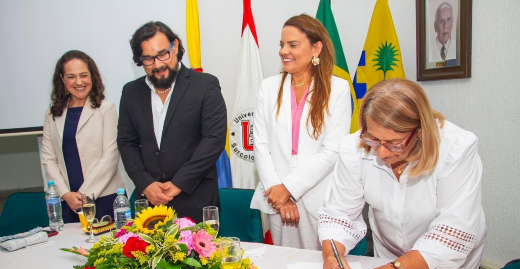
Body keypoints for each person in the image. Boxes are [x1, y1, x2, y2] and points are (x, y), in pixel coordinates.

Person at [319, 78, 486, 269]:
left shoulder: (456, 148)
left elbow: (453, 230)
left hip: (447, 266)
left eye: (394, 143)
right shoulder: (354, 148)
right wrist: (332, 255)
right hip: (387, 259)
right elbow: (339, 213)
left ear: (419, 131)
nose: (382, 153)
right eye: (374, 140)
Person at [251, 14, 351, 250]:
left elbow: (332, 151)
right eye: (281, 44)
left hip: (319, 197)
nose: (283, 51)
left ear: (316, 48)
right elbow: (261, 145)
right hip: (276, 197)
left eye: (293, 45)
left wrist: (289, 189)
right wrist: (280, 194)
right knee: (283, 267)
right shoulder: (268, 87)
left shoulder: (338, 89)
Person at [117, 21, 226, 223]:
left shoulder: (205, 85)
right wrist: (145, 184)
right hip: (150, 203)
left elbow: (214, 139)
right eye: (148, 59)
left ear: (175, 46)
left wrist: (179, 182)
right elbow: (126, 142)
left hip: (195, 198)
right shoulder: (131, 92)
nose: (158, 65)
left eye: (162, 55)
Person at [42, 50, 125, 223]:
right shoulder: (52, 114)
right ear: (62, 79)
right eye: (71, 76)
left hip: (103, 198)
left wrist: (84, 195)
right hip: (67, 202)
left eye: (83, 75)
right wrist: (66, 194)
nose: (79, 82)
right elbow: (48, 159)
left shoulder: (106, 109)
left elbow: (110, 157)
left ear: (92, 77)